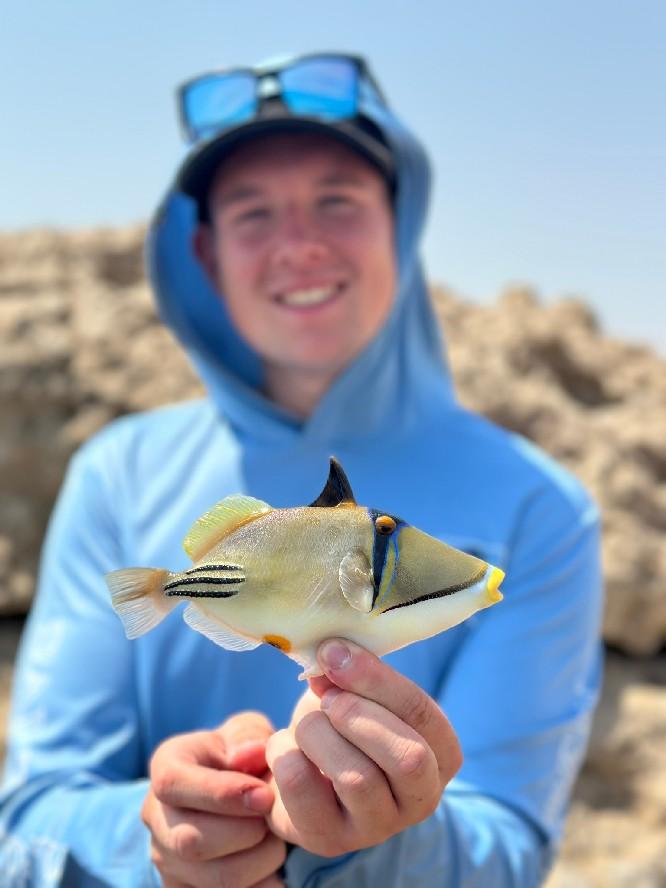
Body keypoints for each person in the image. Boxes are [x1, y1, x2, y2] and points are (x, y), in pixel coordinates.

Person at [0, 52, 603, 887]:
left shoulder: (542, 509)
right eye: (253, 212)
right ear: (205, 253)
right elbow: (27, 822)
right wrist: (156, 837)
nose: (299, 245)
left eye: (337, 199)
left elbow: (510, 847)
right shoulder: (116, 474)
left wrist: (374, 840)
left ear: (400, 221)